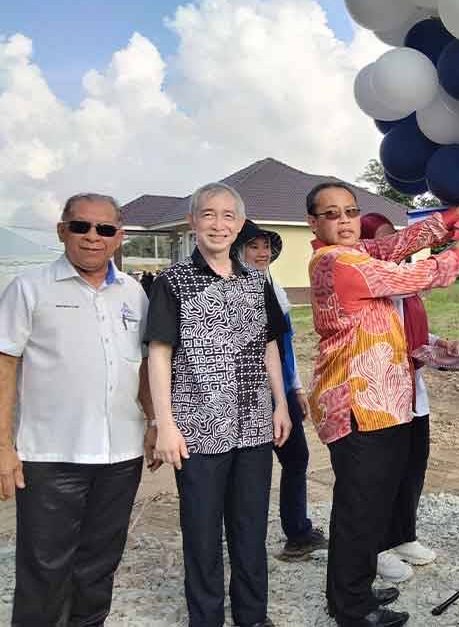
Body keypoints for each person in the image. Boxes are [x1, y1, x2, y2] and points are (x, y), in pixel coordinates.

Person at [306, 183, 459, 627]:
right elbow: (413, 275)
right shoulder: (336, 261)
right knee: (359, 507)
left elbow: (395, 244)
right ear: (314, 224)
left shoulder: (358, 252)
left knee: (370, 503)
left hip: (383, 401)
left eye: (351, 210)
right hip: (358, 402)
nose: (345, 220)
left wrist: (454, 215)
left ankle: (354, 587)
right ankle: (351, 608)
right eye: (332, 214)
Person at [0, 193, 155, 627]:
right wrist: (2, 446)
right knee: (44, 570)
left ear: (118, 237)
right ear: (61, 230)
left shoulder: (134, 293)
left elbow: (142, 364)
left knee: (98, 567)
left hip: (119, 456)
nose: (93, 237)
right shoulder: (29, 289)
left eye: (105, 229)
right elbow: (5, 363)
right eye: (81, 226)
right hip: (51, 456)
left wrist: (155, 421)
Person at [146, 183, 292, 627]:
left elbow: (270, 346)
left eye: (228, 216)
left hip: (253, 424)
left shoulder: (255, 281)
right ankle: (205, 618)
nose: (218, 224)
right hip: (198, 428)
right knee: (203, 533)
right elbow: (158, 354)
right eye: (208, 214)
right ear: (193, 222)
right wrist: (165, 425)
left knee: (250, 528)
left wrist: (281, 405)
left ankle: (252, 616)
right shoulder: (173, 282)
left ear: (240, 224)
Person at [359, 212, 459, 583]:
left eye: (396, 241)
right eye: (383, 242)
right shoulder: (372, 284)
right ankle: (375, 548)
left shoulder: (407, 289)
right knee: (382, 473)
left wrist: (437, 344)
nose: (395, 250)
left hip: (415, 391)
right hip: (383, 394)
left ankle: (403, 535)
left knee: (413, 465)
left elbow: (414, 334)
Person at [234, 220, 328, 562]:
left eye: (266, 247)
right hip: (252, 393)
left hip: (281, 388)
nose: (262, 253)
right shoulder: (238, 287)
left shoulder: (272, 285)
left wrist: (296, 387)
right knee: (256, 467)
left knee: (295, 458)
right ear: (237, 251)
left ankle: (297, 532)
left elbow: (284, 346)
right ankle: (276, 538)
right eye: (253, 247)